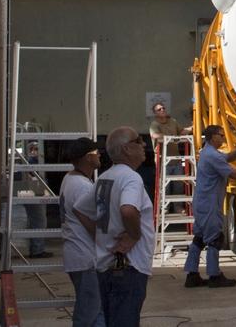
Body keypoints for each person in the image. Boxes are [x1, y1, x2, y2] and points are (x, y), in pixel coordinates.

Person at [75, 127, 155, 327]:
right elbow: (128, 210)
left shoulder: (105, 177)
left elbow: (80, 209)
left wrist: (101, 236)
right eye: (139, 140)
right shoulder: (131, 178)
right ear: (127, 149)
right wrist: (133, 236)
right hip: (128, 268)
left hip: (107, 266)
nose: (144, 144)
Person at [184, 125, 236, 288]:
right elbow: (235, 174)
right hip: (210, 204)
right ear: (213, 137)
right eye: (221, 135)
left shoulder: (207, 152)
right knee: (215, 239)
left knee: (199, 239)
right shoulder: (212, 155)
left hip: (202, 202)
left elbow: (226, 158)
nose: (223, 138)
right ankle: (214, 275)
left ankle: (191, 275)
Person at [60, 137, 105, 327]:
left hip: (79, 256)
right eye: (96, 153)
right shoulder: (82, 186)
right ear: (88, 157)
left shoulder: (70, 179)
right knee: (88, 314)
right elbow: (93, 224)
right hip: (85, 258)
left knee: (96, 312)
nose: (100, 155)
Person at [19, 141, 52, 259]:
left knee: (37, 220)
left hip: (36, 190)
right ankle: (37, 250)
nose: (34, 152)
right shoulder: (32, 161)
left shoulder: (35, 161)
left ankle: (37, 248)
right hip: (34, 192)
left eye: (36, 149)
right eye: (33, 149)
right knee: (39, 220)